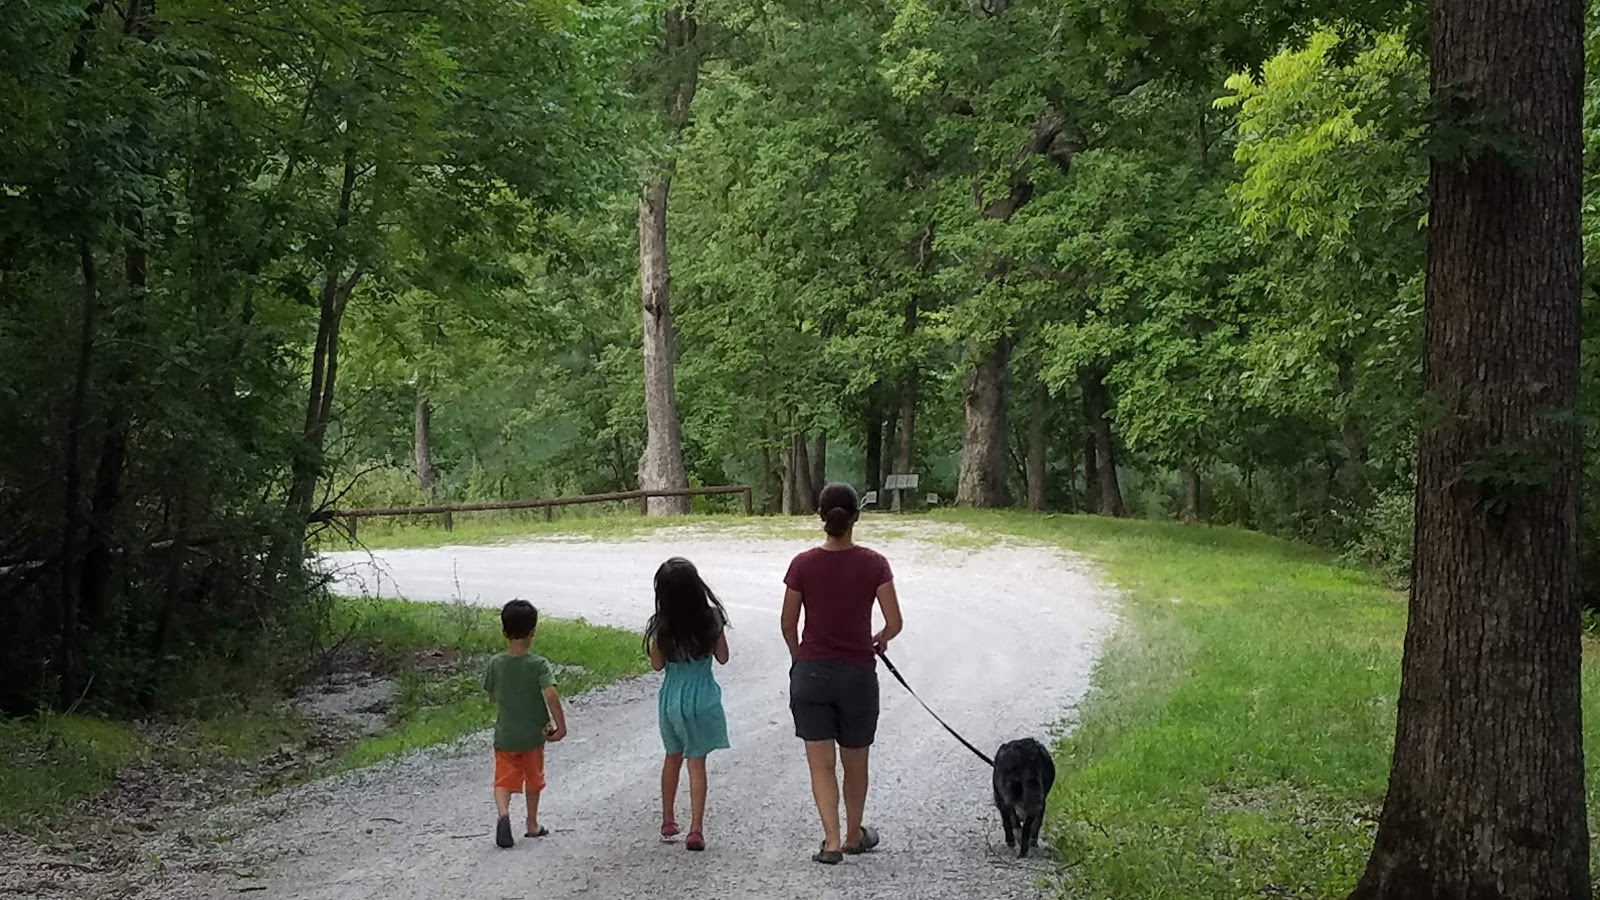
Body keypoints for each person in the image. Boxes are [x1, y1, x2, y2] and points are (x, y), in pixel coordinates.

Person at [781, 482, 904, 865]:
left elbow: (788, 623)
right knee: (856, 761)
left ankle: (831, 841)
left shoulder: (802, 564)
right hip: (857, 676)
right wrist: (878, 639)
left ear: (820, 516)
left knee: (821, 764)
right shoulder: (874, 563)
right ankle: (854, 834)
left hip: (812, 673)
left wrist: (798, 658)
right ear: (856, 517)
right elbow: (894, 622)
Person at [647, 557, 732, 853]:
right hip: (702, 697)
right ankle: (696, 829)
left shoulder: (662, 624)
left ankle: (668, 820)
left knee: (672, 756)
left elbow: (657, 665)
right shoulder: (711, 618)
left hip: (671, 697)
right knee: (696, 763)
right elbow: (723, 657)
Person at [484, 598, 567, 849]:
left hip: (505, 736)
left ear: (503, 632)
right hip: (533, 736)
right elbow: (550, 694)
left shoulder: (496, 663)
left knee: (503, 780)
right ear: (533, 632)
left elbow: (491, 695)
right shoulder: (538, 665)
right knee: (533, 779)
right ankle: (531, 824)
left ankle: (503, 815)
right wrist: (560, 725)